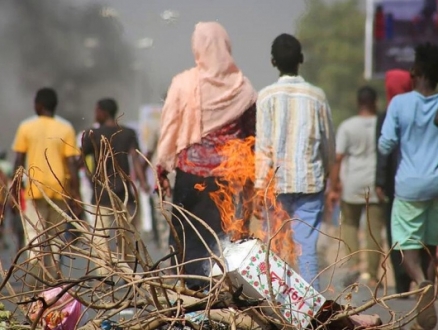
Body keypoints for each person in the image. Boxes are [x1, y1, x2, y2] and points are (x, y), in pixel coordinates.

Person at [156, 21, 257, 290]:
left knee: (185, 234)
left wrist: (161, 169)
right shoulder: (243, 88)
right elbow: (251, 138)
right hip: (226, 180)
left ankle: (189, 292)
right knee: (219, 236)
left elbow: (169, 130)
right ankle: (217, 291)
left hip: (190, 176)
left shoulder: (183, 84)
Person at [255, 33, 335, 291]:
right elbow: (328, 144)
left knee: (275, 247)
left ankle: (277, 304)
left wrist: (259, 186)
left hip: (275, 185)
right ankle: (313, 309)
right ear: (301, 59)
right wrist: (328, 173)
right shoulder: (317, 96)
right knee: (306, 247)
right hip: (310, 183)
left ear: (272, 62)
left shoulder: (266, 97)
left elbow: (263, 148)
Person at [379, 42, 438, 330]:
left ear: (415, 71)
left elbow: (386, 142)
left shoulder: (400, 104)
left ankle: (422, 283)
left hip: (410, 187)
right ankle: (424, 309)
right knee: (431, 245)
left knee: (405, 247)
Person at [12, 87, 81, 287]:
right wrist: (75, 194)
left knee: (34, 234)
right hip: (59, 189)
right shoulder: (66, 128)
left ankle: (36, 277)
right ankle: (55, 278)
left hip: (34, 189)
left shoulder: (26, 127)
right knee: (56, 236)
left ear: (39, 105)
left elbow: (18, 159)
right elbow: (71, 164)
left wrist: (16, 190)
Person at [82, 98, 149, 276]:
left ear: (103, 112)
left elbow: (79, 160)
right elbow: (135, 160)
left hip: (101, 194)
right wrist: (143, 183)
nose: (95, 114)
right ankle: (128, 274)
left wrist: (91, 178)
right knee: (127, 237)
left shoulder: (92, 134)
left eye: (96, 111)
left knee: (100, 238)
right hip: (125, 193)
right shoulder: (128, 133)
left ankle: (104, 275)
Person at [328, 86, 386, 288]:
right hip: (375, 184)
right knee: (373, 229)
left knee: (350, 225)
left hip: (352, 183)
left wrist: (334, 186)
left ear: (357, 102)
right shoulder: (383, 123)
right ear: (375, 102)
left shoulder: (348, 126)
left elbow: (338, 158)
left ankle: (353, 267)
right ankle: (371, 274)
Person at [376, 70, 413, 294]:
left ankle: (401, 281)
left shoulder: (387, 114)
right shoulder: (421, 109)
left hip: (392, 183)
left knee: (395, 231)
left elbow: (381, 152)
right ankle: (418, 277)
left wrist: (379, 182)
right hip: (419, 177)